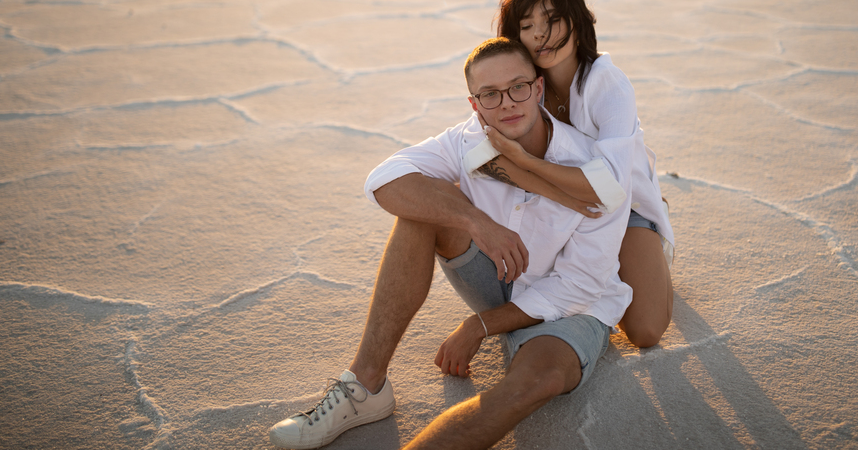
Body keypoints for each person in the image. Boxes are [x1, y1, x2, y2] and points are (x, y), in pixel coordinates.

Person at [268, 37, 633, 450]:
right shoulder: (468, 141)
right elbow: (383, 180)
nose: (507, 104)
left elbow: (579, 286)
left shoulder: (593, 172)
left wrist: (480, 325)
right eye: (490, 95)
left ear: (538, 88)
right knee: (420, 209)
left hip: (571, 306)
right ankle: (366, 387)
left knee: (539, 381)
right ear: (474, 105)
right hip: (498, 276)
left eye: (517, 87)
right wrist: (476, 221)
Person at [477, 0, 674, 348]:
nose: (540, 34)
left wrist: (525, 162)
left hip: (623, 204)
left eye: (552, 20)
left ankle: (655, 234)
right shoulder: (521, 85)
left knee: (645, 332)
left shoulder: (607, 83)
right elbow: (481, 152)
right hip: (555, 204)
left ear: (577, 24)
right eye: (527, 26)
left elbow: (610, 188)